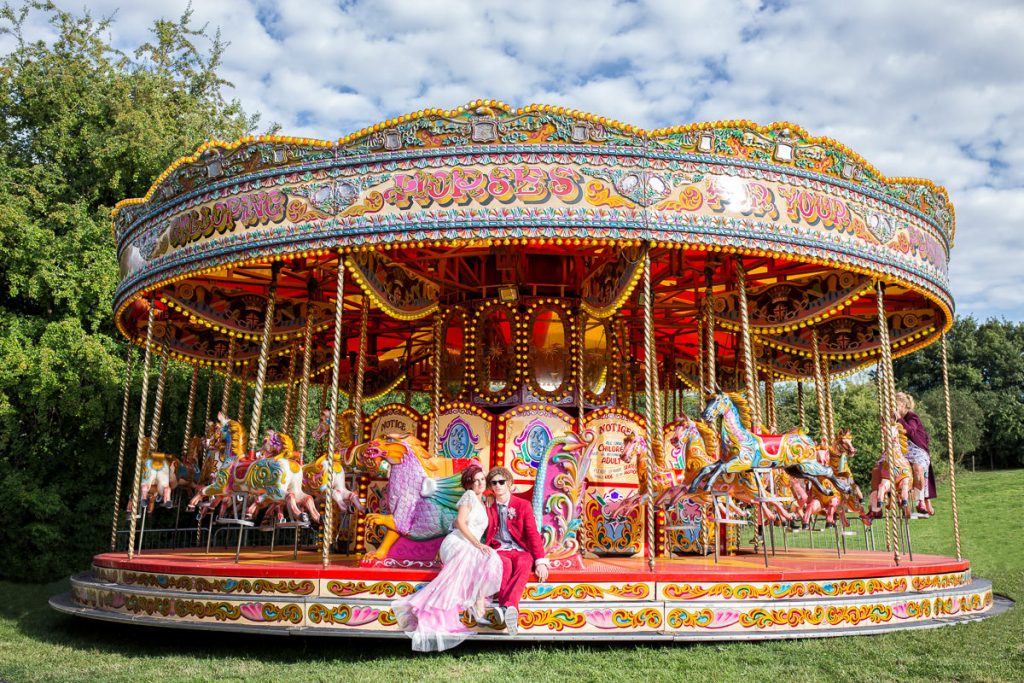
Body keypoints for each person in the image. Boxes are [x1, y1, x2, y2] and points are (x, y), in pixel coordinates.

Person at [392, 463, 502, 652]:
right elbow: (459, 522)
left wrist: (490, 498)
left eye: (482, 480)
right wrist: (476, 543)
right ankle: (472, 606)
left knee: (492, 557)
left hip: (470, 543)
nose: (480, 483)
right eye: (476, 481)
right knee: (472, 555)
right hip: (457, 542)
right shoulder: (468, 496)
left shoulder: (484, 501)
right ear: (469, 484)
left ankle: (478, 600)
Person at [484, 466, 550, 636]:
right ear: (490, 487)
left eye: (501, 482)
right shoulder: (488, 504)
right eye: (494, 483)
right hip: (499, 549)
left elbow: (533, 534)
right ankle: (511, 610)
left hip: (520, 549)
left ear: (509, 484)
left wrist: (540, 561)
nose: (498, 485)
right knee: (504, 566)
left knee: (524, 563)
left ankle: (506, 608)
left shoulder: (522, 505)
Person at [896, 391, 935, 517]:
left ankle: (921, 501)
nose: (893, 409)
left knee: (918, 467)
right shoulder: (895, 418)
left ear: (902, 405)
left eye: (895, 406)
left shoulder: (912, 417)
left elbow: (911, 432)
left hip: (917, 449)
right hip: (902, 449)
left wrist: (899, 419)